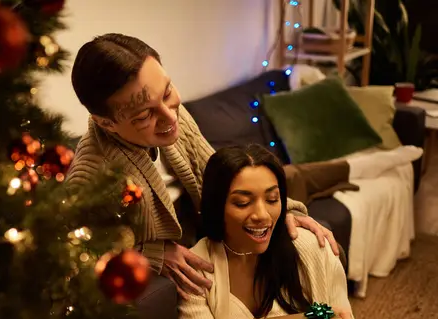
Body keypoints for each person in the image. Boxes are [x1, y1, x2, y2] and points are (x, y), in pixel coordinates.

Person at [66, 33, 339, 298]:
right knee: (295, 177)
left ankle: (362, 166)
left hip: (220, 215)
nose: (169, 116)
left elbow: (216, 171)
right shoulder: (91, 174)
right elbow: (79, 250)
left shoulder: (174, 116)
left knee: (296, 184)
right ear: (106, 123)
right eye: (144, 115)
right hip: (199, 244)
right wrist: (152, 252)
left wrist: (282, 211)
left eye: (167, 92)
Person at [178, 144, 382, 319]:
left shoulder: (310, 246)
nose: (263, 215)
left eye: (273, 200)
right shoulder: (197, 270)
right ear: (217, 206)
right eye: (243, 203)